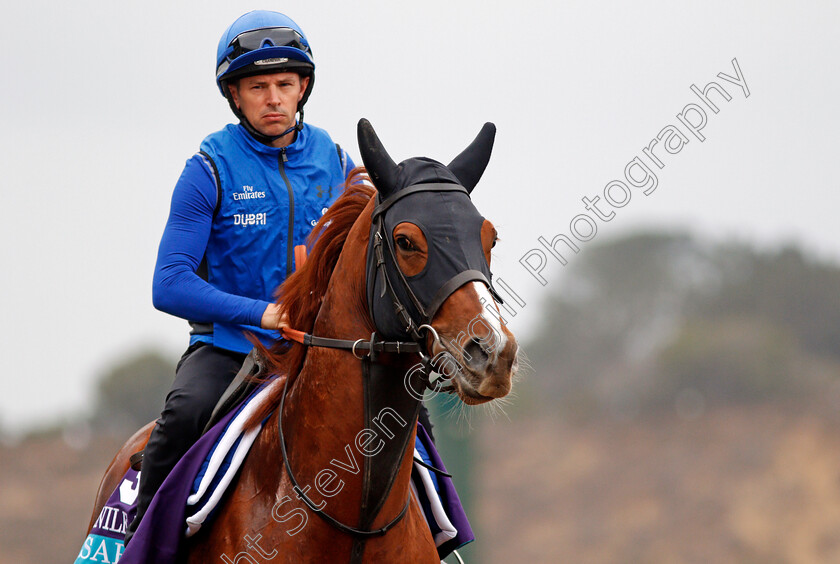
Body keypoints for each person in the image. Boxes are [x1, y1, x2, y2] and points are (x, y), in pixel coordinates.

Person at [125, 10, 353, 543]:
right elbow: (169, 284)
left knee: (408, 414)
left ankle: (441, 538)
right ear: (234, 94)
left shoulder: (338, 162)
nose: (273, 98)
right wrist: (262, 313)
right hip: (231, 352)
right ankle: (140, 542)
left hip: (321, 352)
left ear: (303, 89)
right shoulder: (208, 167)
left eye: (284, 84)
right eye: (257, 86)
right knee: (183, 416)